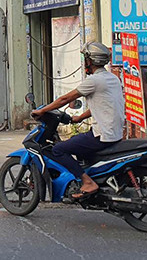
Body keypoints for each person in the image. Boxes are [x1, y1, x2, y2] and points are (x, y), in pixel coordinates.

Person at [31, 41, 125, 199]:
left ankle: (87, 182)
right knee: (76, 141)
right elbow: (103, 105)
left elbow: (65, 98)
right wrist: (79, 117)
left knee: (58, 149)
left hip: (102, 134)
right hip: (114, 132)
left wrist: (42, 110)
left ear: (90, 61)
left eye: (86, 59)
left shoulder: (94, 81)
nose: (85, 62)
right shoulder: (112, 78)